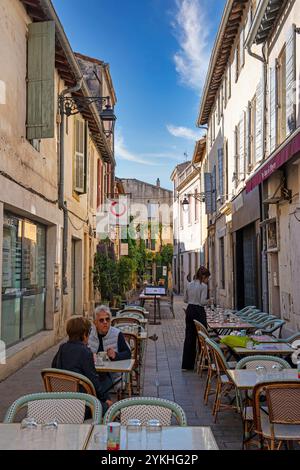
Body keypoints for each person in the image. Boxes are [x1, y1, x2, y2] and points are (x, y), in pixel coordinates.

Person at [51, 316, 112, 413]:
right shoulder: (85, 352)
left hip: (61, 402)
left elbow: (54, 369)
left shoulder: (62, 348)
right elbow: (93, 381)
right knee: (108, 406)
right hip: (81, 404)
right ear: (84, 334)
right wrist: (105, 400)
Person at [88, 305, 131, 387]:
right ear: (95, 323)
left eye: (107, 319)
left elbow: (128, 353)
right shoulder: (89, 334)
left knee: (97, 386)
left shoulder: (117, 334)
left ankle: (100, 398)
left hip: (112, 375)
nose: (105, 322)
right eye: (101, 320)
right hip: (93, 373)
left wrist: (115, 355)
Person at [182, 266, 210, 371]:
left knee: (189, 337)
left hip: (190, 310)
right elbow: (203, 302)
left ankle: (187, 365)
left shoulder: (189, 285)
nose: (207, 280)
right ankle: (205, 363)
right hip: (199, 311)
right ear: (203, 276)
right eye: (207, 278)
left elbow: (185, 300)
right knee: (203, 337)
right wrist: (210, 301)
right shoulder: (203, 286)